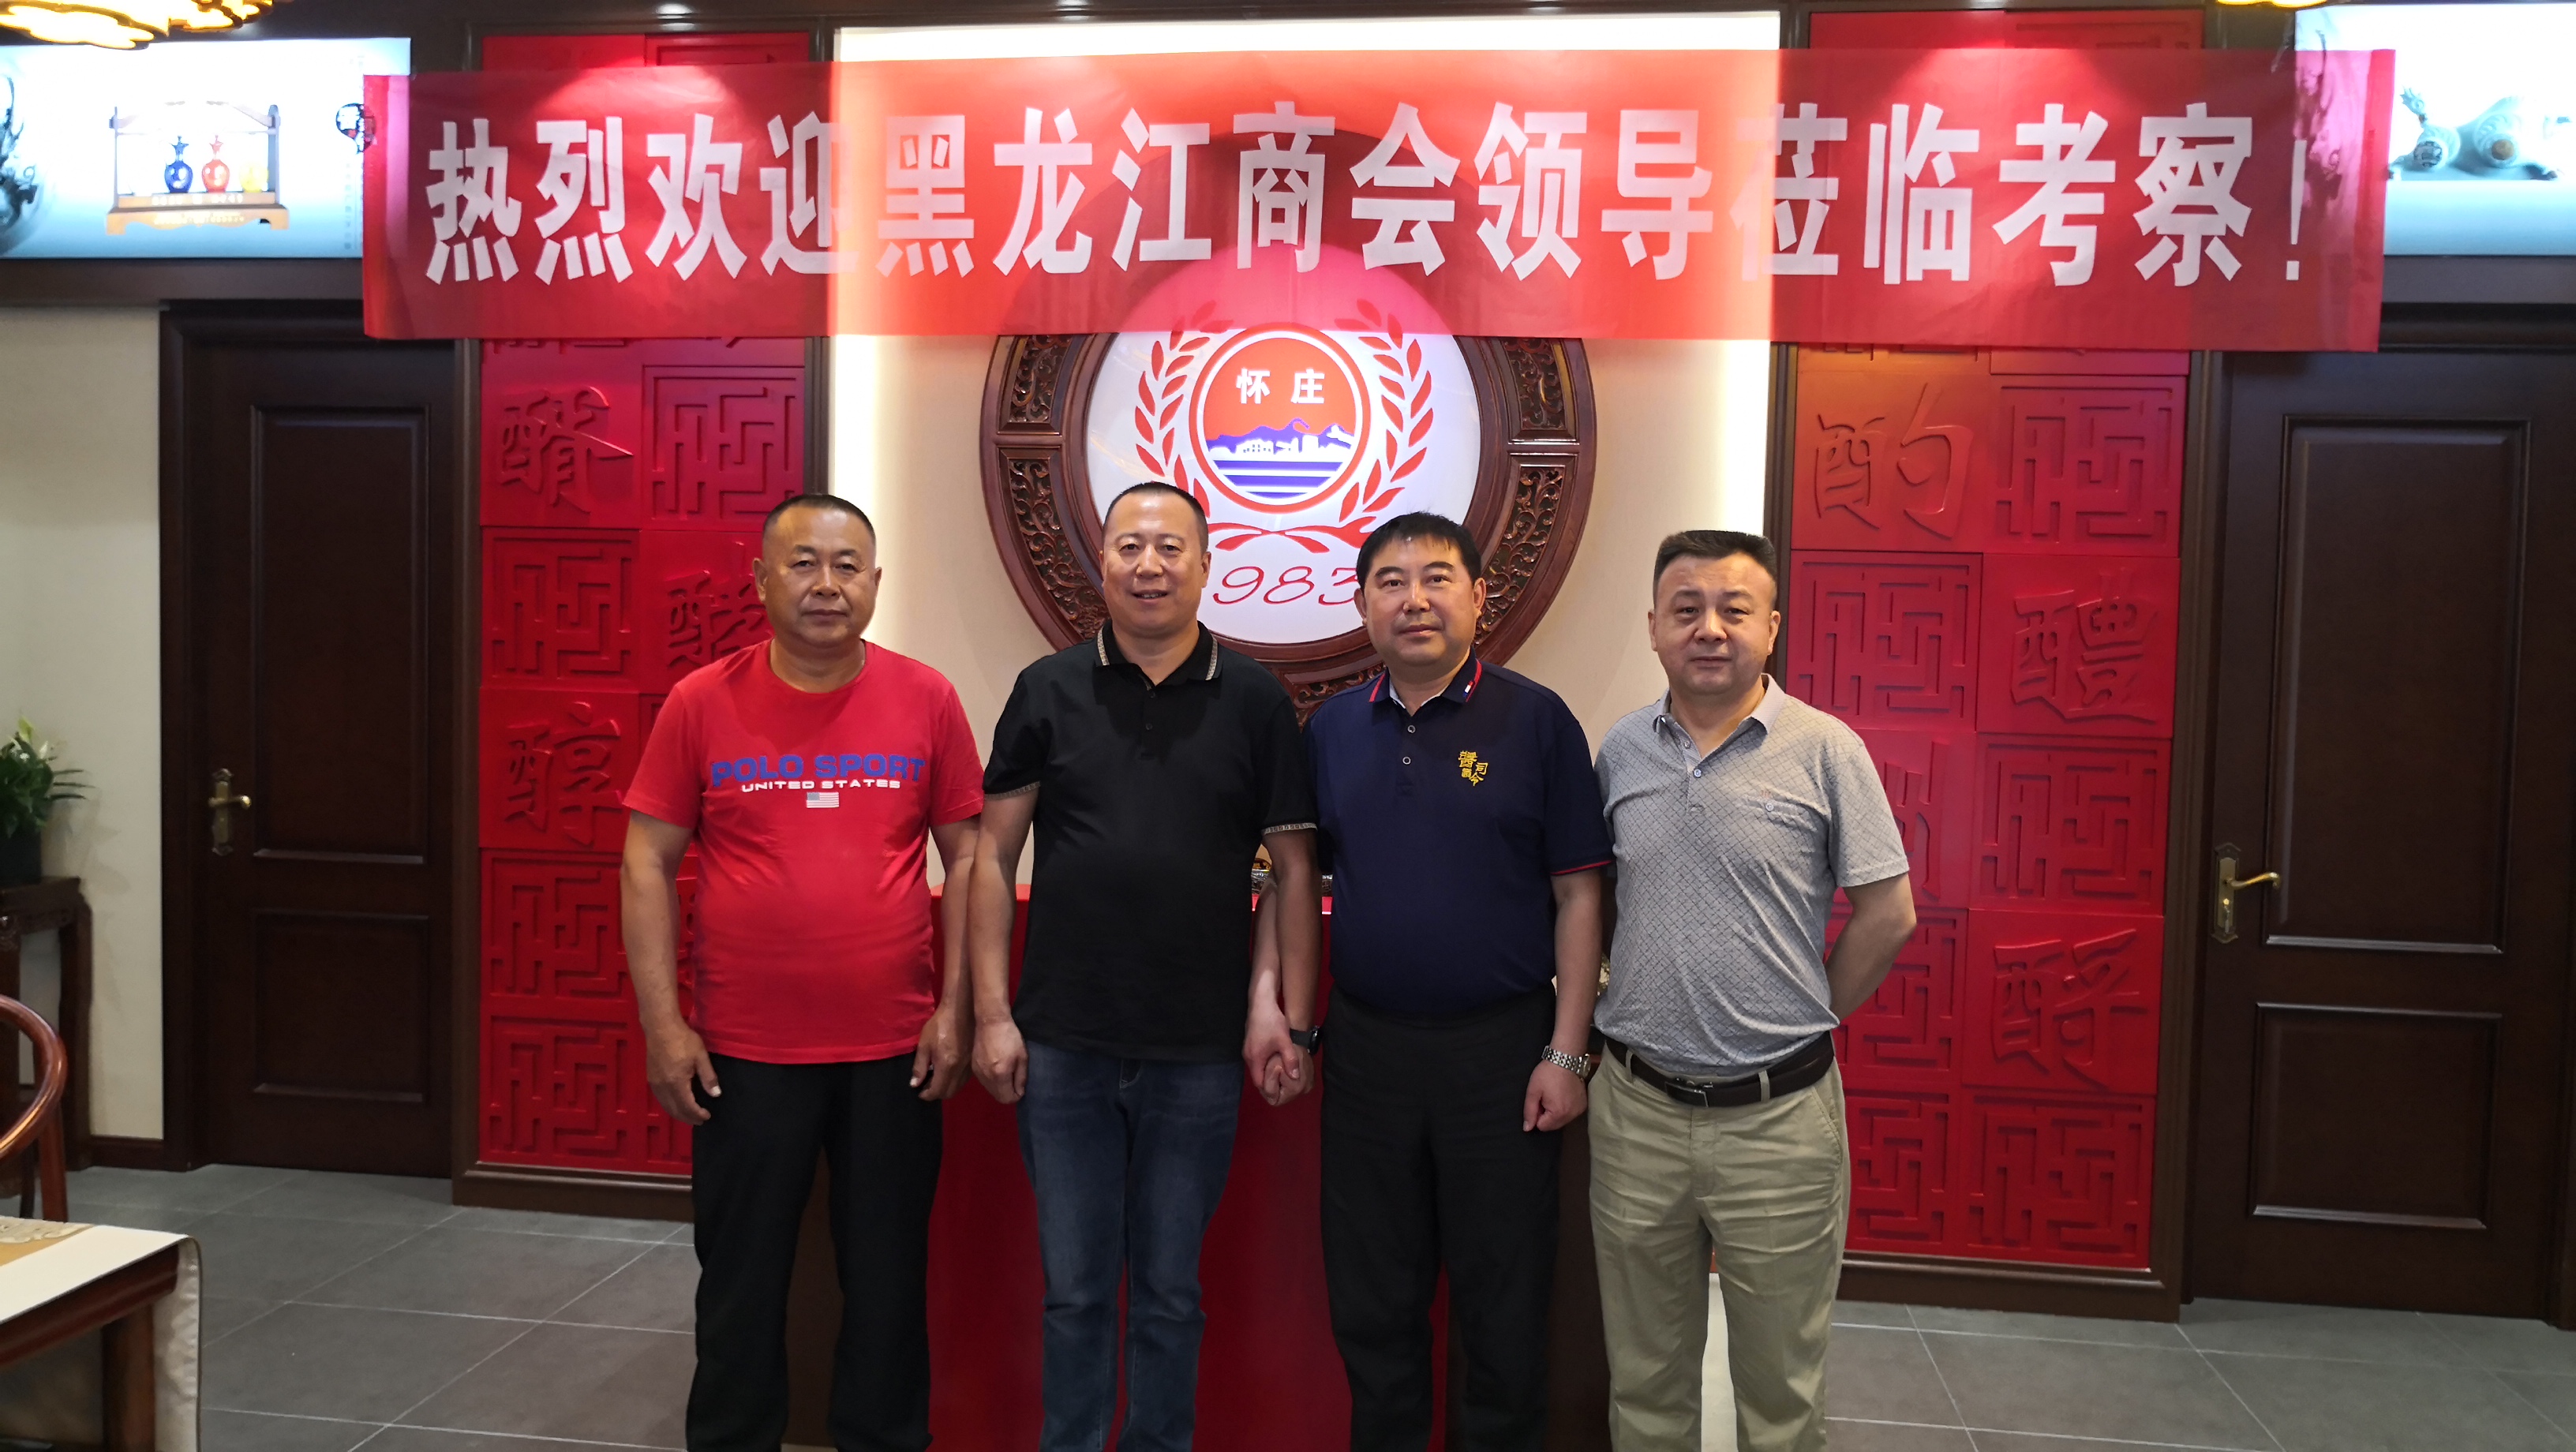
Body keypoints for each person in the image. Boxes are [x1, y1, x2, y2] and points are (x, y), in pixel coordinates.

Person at [619, 493, 985, 1452]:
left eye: (847, 565)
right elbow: (646, 860)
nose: (827, 585)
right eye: (804, 563)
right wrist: (665, 1027)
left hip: (896, 1051)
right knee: (739, 1282)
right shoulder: (702, 701)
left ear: (875, 581)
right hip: (744, 1052)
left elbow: (970, 859)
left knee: (888, 1282)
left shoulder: (927, 697)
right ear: (762, 580)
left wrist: (956, 1010)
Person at [967, 480, 1323, 1452]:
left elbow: (1292, 869)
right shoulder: (1046, 688)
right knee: (1076, 1292)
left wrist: (1289, 1017)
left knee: (1169, 1293)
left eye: (1171, 548)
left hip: (1198, 1052)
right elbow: (991, 856)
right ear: (1103, 562)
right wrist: (992, 1013)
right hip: (1064, 1044)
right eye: (1130, 546)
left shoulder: (1255, 699)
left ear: (1206, 566)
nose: (1150, 565)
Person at [1589, 530, 1915, 1452]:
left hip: (1778, 1122)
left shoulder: (1826, 748)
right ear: (1654, 626)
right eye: (1686, 609)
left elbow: (1888, 912)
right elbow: (1592, 902)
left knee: (1780, 1394)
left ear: (1771, 627)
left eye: (1735, 610)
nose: (1710, 629)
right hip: (1638, 1114)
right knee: (1644, 1383)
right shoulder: (1621, 751)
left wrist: (1805, 1015)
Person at [1291, 511, 1609, 1452]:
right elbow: (1296, 881)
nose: (1414, 599)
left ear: (1479, 596)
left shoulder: (1537, 720)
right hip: (1368, 1051)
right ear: (1362, 604)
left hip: (1502, 1054)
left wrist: (1567, 1051)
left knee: (1504, 1302)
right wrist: (1293, 1020)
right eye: (1390, 582)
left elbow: (1580, 895)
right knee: (1374, 1299)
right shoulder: (1333, 730)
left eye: (1437, 578)